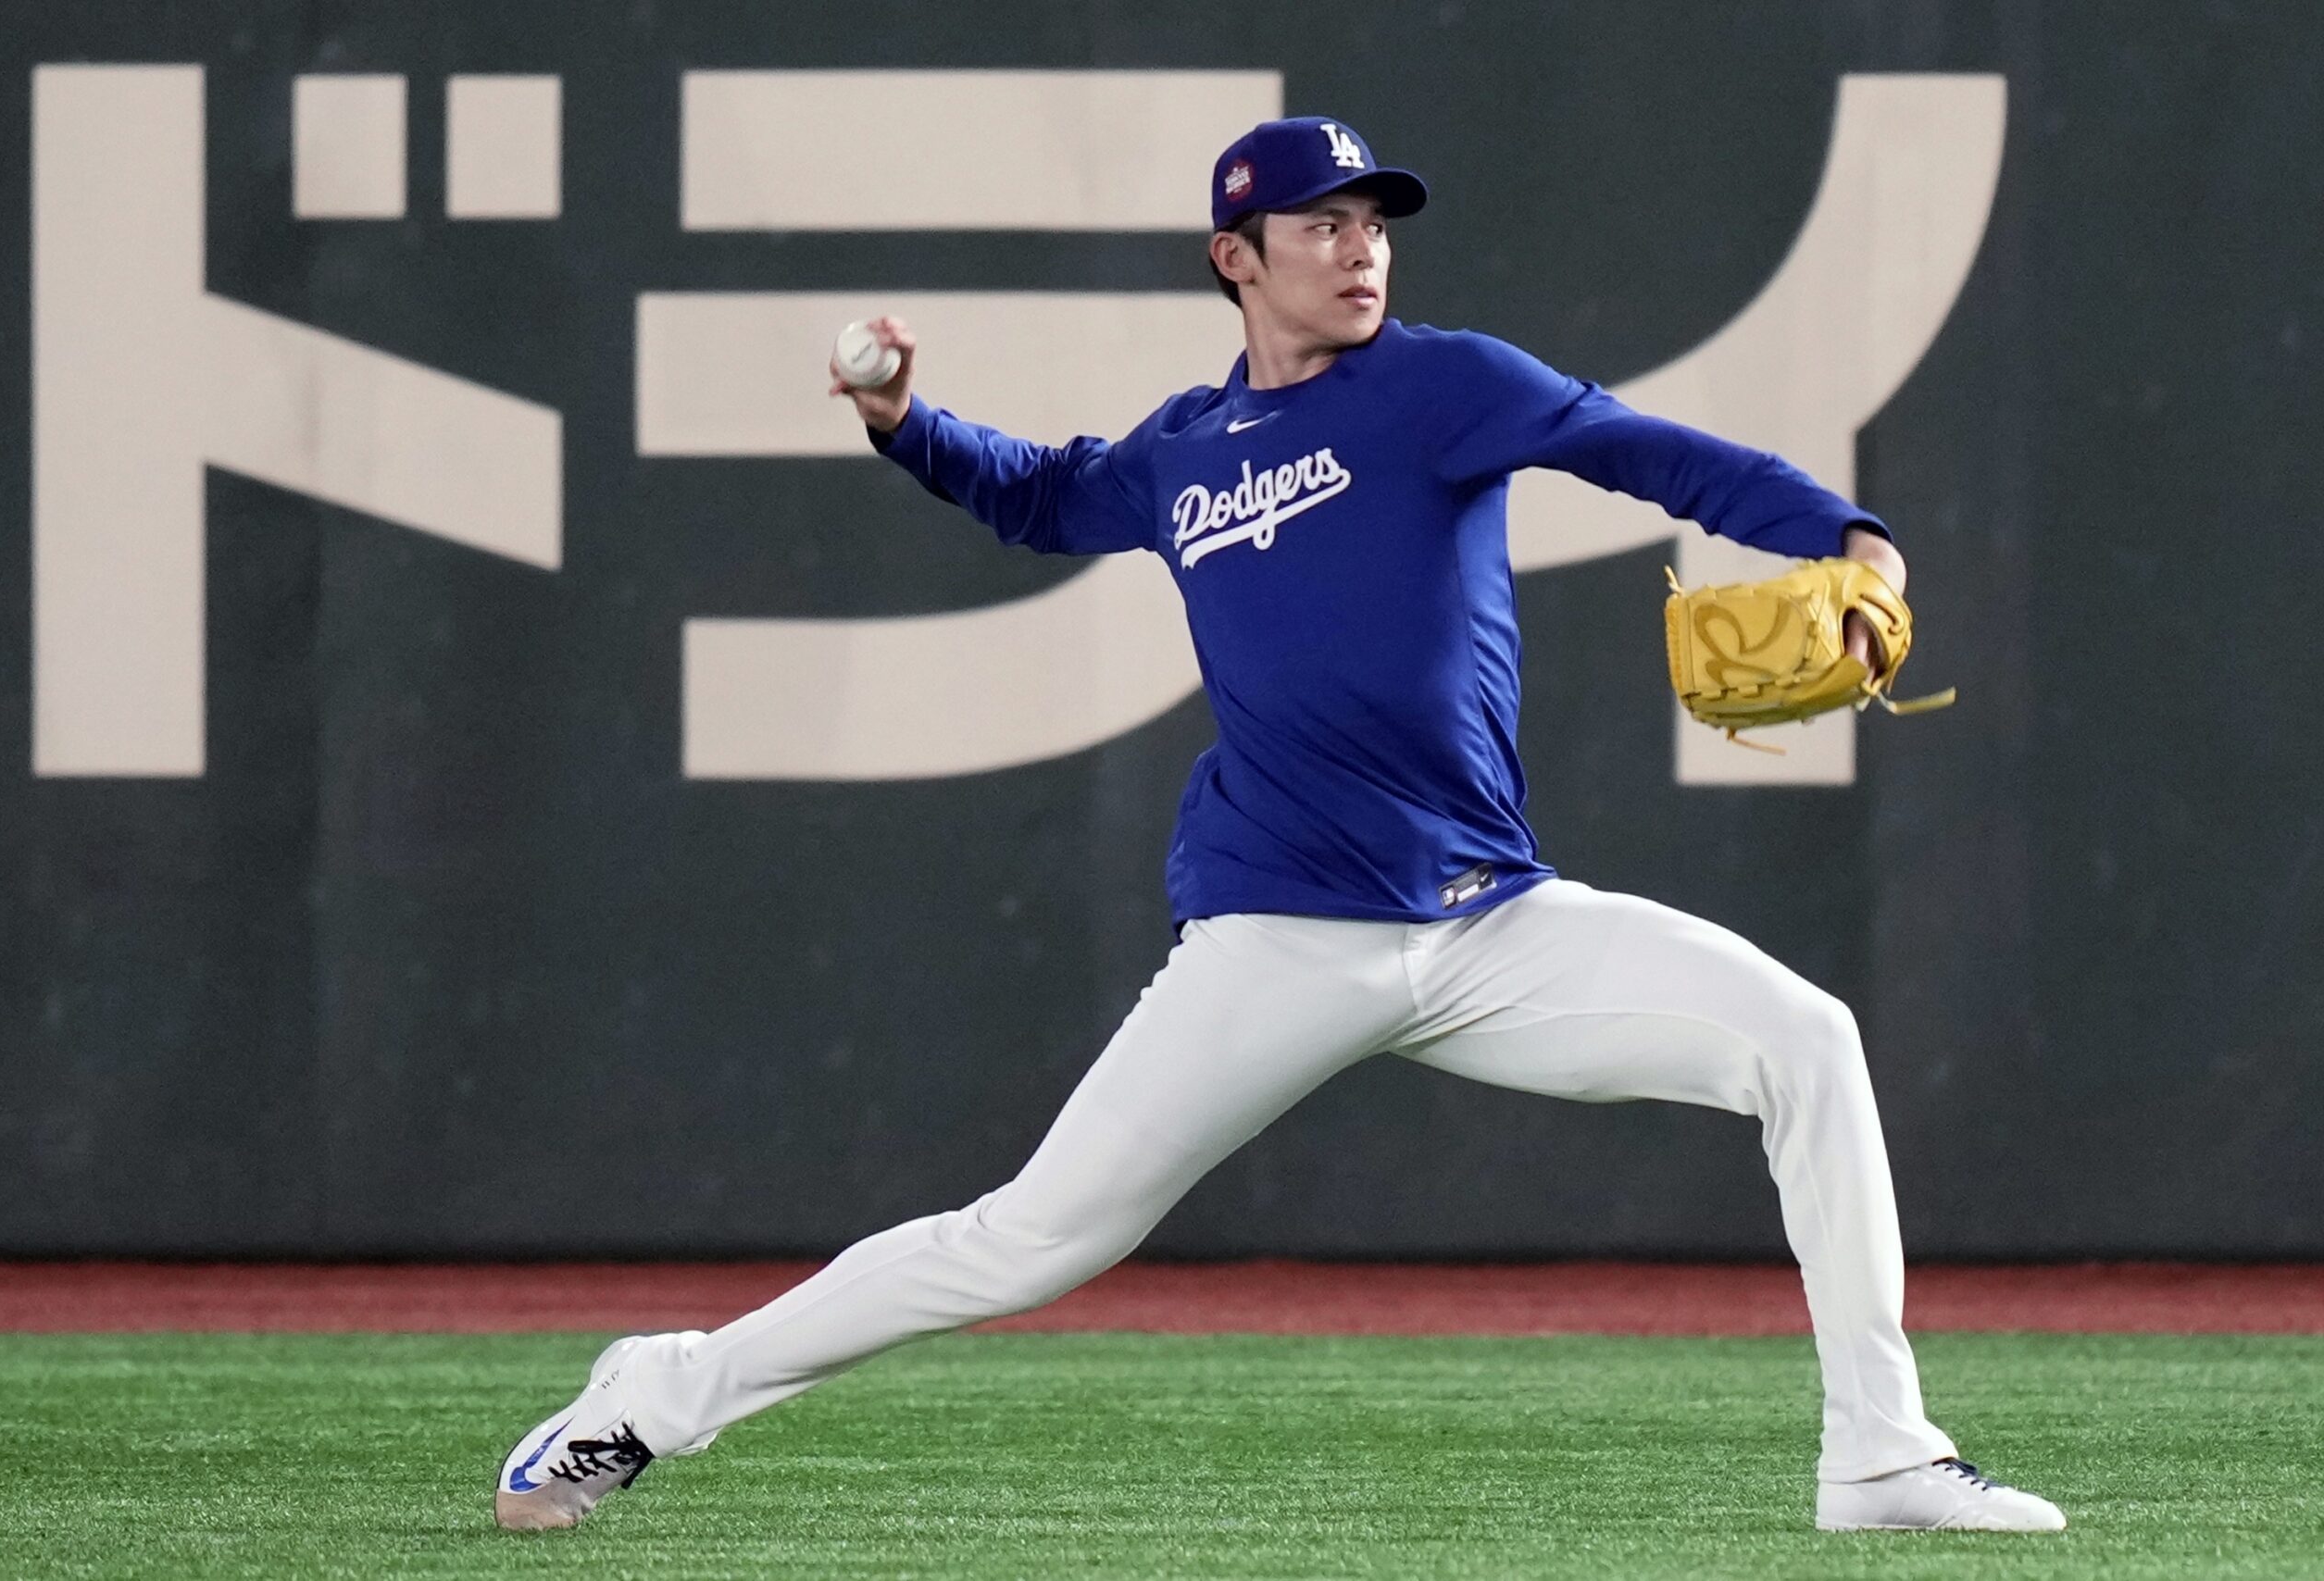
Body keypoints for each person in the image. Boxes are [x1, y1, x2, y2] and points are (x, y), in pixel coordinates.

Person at [495, 116, 2064, 1536]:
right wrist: (906, 418)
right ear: (1236, 260)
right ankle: (656, 1390)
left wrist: (1850, 540)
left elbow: (1654, 455)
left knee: (1809, 1040)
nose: (1360, 245)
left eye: (1374, 219)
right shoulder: (1187, 450)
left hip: (1490, 921)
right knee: (1028, 1239)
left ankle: (1881, 1458)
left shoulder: (1449, 386)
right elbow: (1044, 494)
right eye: (1320, 223)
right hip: (1277, 930)